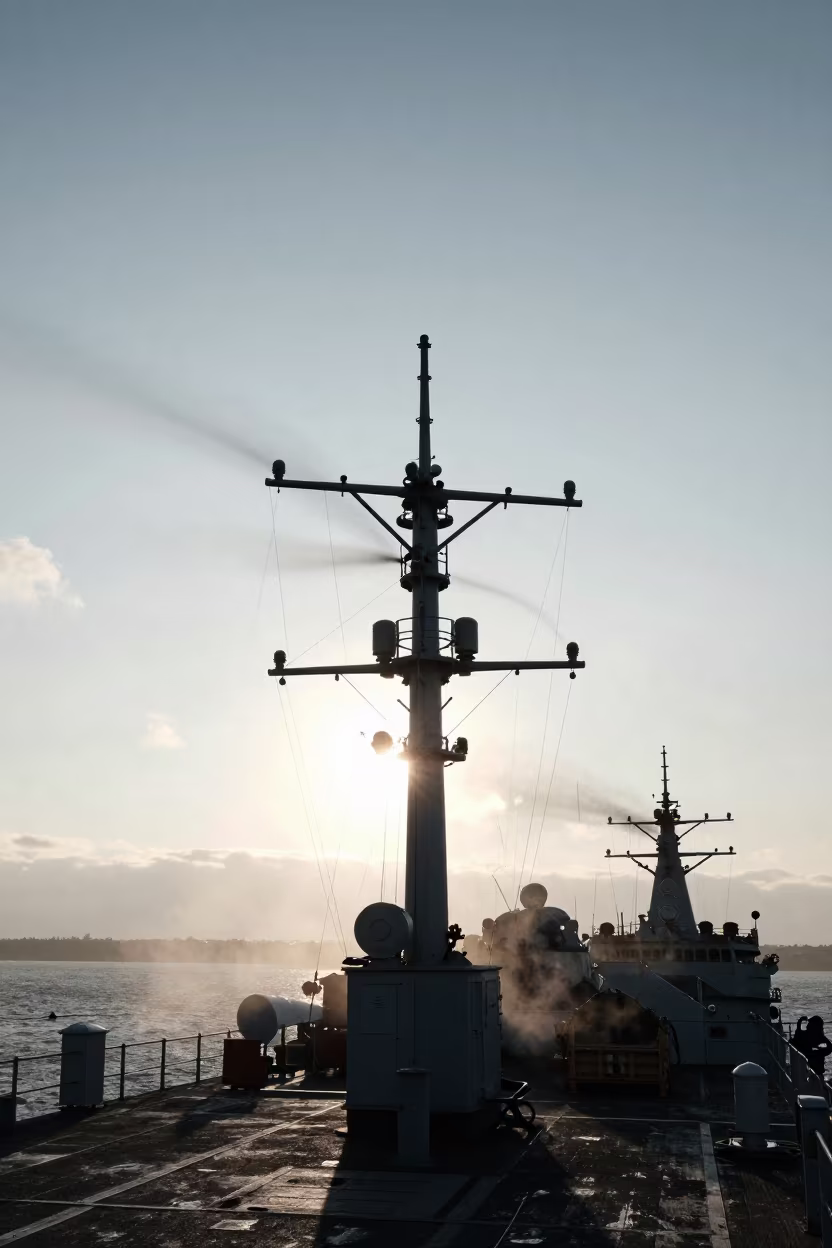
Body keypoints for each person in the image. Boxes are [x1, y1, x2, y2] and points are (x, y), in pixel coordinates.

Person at [793, 1015, 831, 1080]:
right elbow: (797, 1037)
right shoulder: (809, 1035)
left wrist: (818, 1052)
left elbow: (830, 1047)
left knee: (817, 1078)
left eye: (809, 1024)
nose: (807, 1026)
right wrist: (799, 1023)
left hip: (816, 1067)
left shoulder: (818, 1036)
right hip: (808, 1065)